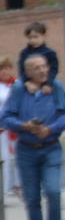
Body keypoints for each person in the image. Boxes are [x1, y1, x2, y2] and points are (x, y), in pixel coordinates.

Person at [1, 54, 65, 220]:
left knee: (53, 190)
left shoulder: (56, 87)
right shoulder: (18, 90)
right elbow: (5, 118)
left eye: (44, 66)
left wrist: (50, 129)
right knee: (32, 197)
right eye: (37, 68)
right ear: (27, 73)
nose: (43, 71)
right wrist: (23, 126)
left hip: (50, 146)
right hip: (26, 149)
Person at [0, 57, 17, 197]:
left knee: (18, 157)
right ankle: (6, 188)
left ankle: (19, 186)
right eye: (1, 69)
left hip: (16, 125)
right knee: (5, 158)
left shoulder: (17, 84)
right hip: (2, 128)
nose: (4, 71)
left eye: (6, 68)